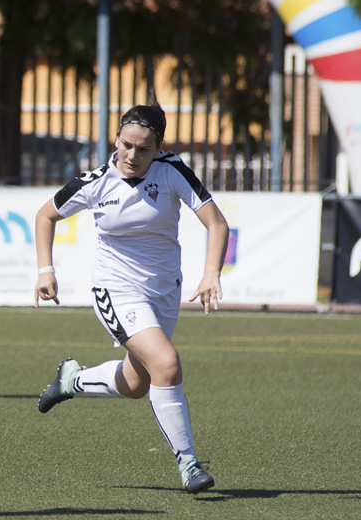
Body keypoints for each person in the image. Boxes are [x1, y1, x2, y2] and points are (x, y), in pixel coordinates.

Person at [32, 102, 229, 494]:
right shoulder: (95, 181)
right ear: (116, 138)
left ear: (159, 148)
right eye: (125, 145)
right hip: (116, 290)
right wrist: (45, 270)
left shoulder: (172, 171)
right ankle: (189, 463)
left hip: (164, 291)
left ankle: (73, 379)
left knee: (139, 383)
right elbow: (45, 216)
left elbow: (216, 223)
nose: (131, 156)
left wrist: (211, 273)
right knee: (167, 365)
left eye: (143, 149)